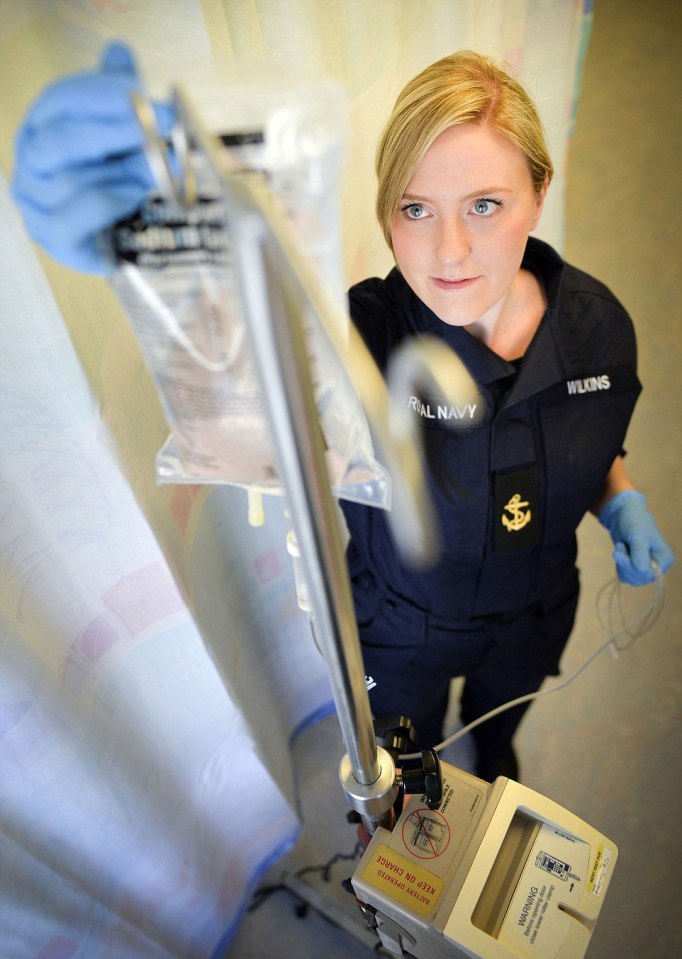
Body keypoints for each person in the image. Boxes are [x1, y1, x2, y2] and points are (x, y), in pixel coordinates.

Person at [11, 46, 674, 781]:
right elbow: (248, 398)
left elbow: (592, 439)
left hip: (533, 611)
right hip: (399, 631)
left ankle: (496, 746)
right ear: (387, 213)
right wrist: (159, 271)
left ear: (539, 194)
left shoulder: (598, 326)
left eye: (485, 204)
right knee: (408, 757)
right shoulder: (357, 336)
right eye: (416, 208)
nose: (448, 250)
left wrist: (621, 499)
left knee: (505, 711)